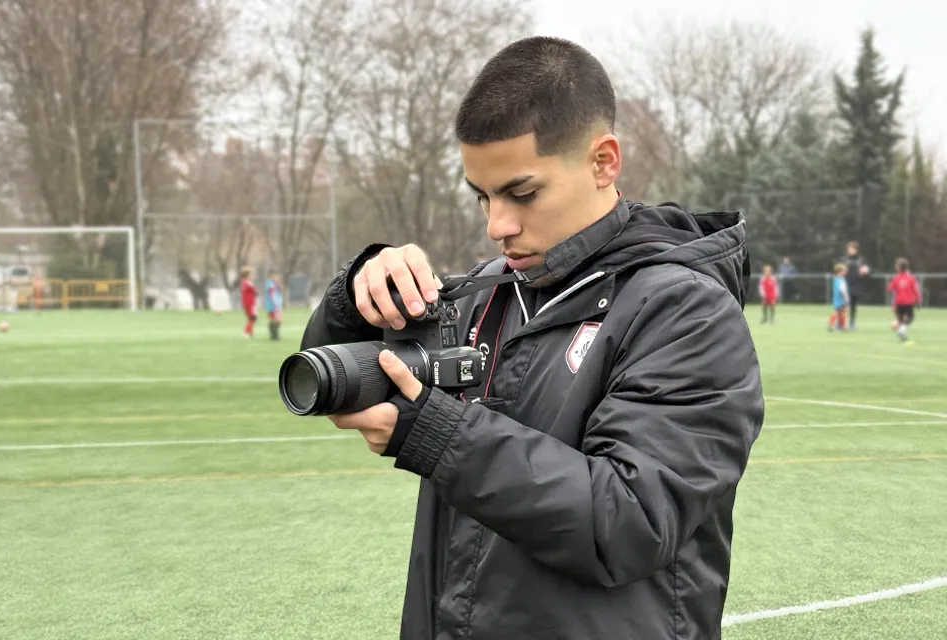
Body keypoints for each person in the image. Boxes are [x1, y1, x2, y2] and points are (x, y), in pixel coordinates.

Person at [299, 36, 763, 640]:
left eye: (522, 193)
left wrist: (434, 433)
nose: (498, 225)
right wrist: (356, 298)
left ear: (604, 162)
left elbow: (627, 523)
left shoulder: (688, 312)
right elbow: (333, 371)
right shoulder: (488, 290)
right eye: (483, 197)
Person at [887, 258, 920, 343]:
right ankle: (902, 330)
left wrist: (891, 283)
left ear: (898, 268)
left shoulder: (895, 278)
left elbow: (889, 289)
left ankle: (902, 334)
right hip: (908, 302)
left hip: (898, 302)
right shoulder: (911, 278)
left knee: (900, 319)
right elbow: (915, 290)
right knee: (910, 318)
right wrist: (918, 300)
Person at [841, 241, 869, 329]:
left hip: (856, 284)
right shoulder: (844, 259)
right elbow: (838, 270)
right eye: (849, 249)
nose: (850, 250)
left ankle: (852, 323)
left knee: (853, 304)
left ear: (856, 250)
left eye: (852, 249)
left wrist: (866, 271)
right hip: (845, 283)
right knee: (843, 304)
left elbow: (867, 271)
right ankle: (841, 323)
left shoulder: (861, 260)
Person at [829, 263, 850, 331]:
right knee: (843, 312)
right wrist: (846, 298)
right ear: (840, 271)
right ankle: (842, 325)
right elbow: (842, 290)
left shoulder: (835, 279)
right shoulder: (841, 280)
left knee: (838, 312)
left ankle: (835, 325)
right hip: (841, 299)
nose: (845, 273)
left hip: (836, 299)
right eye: (844, 271)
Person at [264, 271, 283, 341]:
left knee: (278, 319)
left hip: (276, 305)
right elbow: (272, 294)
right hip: (273, 305)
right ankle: (274, 335)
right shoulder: (270, 284)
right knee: (275, 319)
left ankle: (274, 335)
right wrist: (275, 303)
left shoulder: (274, 284)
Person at [239, 267, 258, 338]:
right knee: (252, 318)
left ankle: (250, 333)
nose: (252, 276)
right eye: (251, 274)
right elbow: (254, 291)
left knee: (252, 318)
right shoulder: (247, 283)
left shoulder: (244, 283)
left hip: (248, 303)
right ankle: (245, 332)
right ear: (247, 275)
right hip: (249, 303)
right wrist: (255, 291)